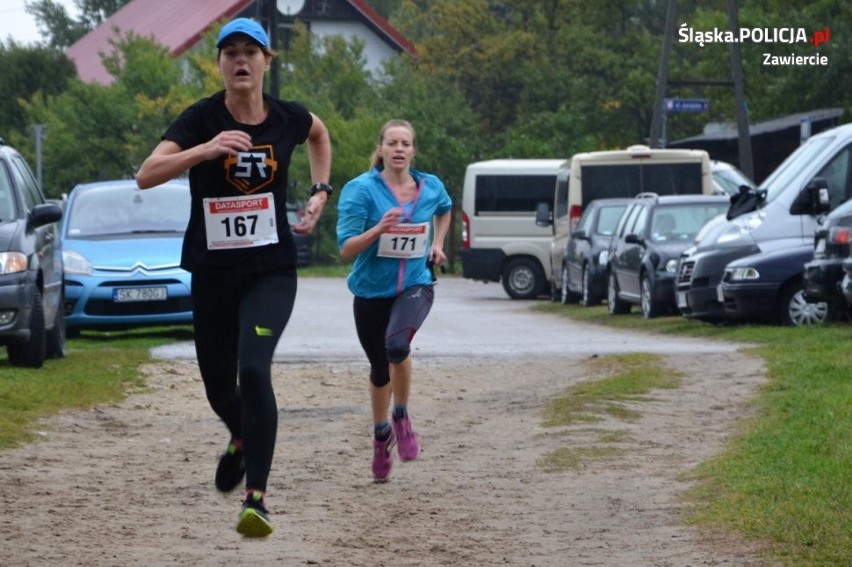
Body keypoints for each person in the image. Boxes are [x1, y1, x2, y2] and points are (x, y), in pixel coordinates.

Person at [135, 17, 332, 537]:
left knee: (255, 369)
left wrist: (320, 192)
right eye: (230, 53)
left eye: (251, 51)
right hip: (213, 274)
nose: (240, 60)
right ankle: (240, 437)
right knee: (220, 389)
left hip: (271, 271)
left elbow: (320, 132)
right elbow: (146, 174)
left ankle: (257, 499)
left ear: (267, 62)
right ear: (220, 65)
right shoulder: (201, 118)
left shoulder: (288, 118)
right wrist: (204, 150)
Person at [336, 119, 452, 482]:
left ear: (413, 150)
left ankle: (401, 415)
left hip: (415, 284)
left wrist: (437, 243)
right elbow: (345, 249)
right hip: (370, 291)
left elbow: (445, 209)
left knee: (397, 346)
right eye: (392, 143)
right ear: (381, 149)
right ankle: (380, 434)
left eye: (405, 143)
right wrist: (378, 229)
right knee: (378, 369)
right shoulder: (360, 190)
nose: (399, 149)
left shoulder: (430, 186)